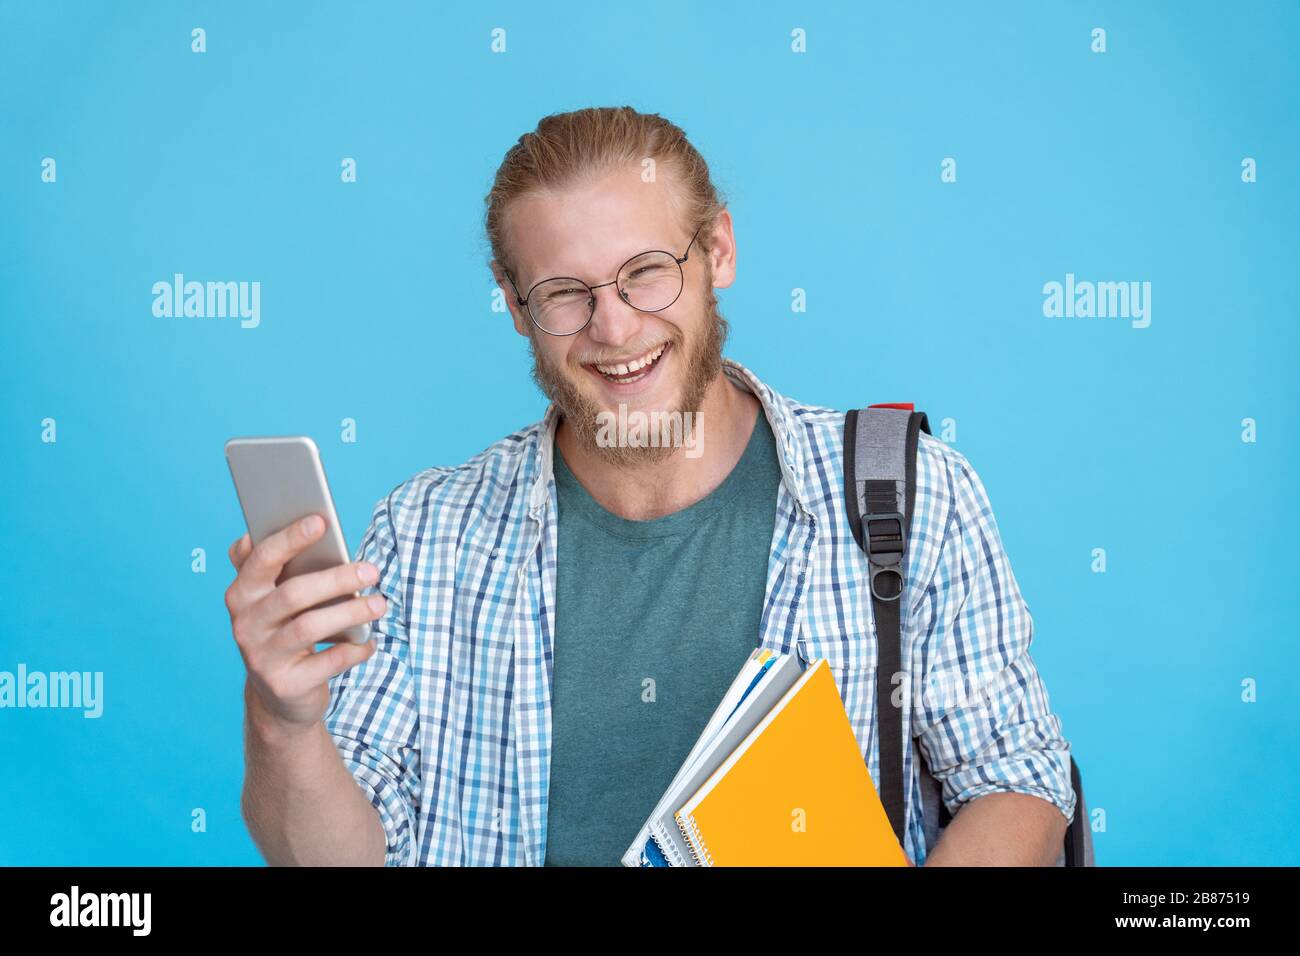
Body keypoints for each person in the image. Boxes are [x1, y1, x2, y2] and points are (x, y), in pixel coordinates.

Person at [224, 106, 1075, 867]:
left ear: (719, 252)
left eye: (646, 272)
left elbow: (1019, 787)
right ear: (515, 305)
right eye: (565, 293)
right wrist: (282, 719)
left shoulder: (906, 496)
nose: (616, 327)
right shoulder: (424, 534)